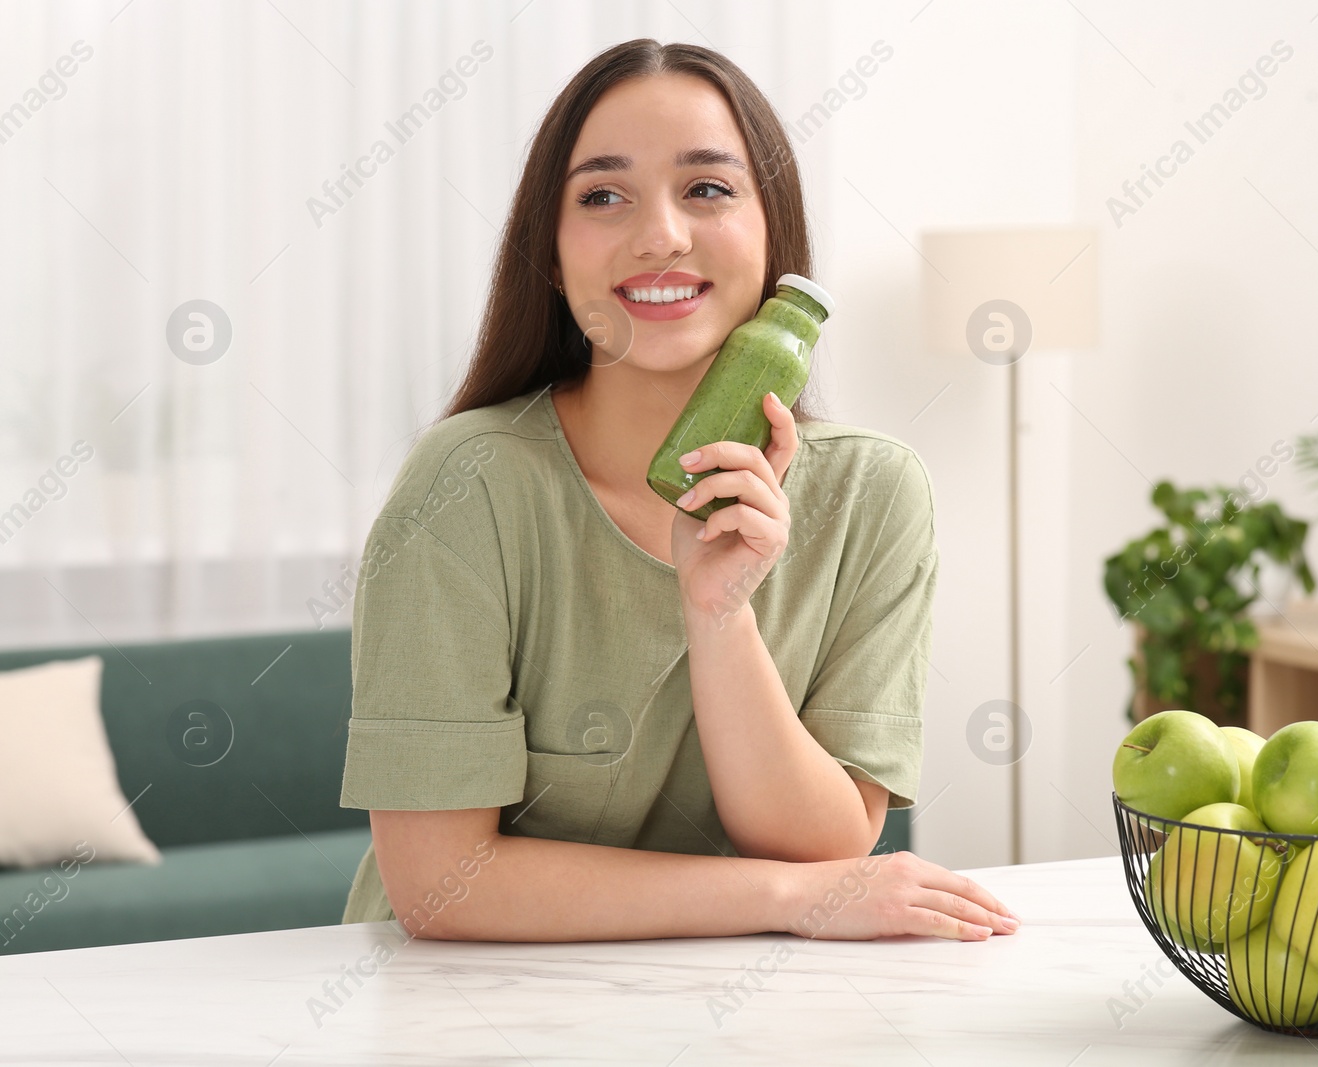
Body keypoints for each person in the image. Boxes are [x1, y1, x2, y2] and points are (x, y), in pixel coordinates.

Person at [337, 38, 1018, 944]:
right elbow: (436, 883)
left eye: (707, 188)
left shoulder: (874, 493)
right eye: (604, 195)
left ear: (773, 230)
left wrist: (720, 611)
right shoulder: (464, 483)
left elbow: (824, 841)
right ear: (550, 249)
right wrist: (788, 900)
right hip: (459, 1010)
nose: (659, 234)